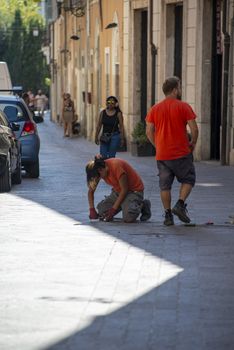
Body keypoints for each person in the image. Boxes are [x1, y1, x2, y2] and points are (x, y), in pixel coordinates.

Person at [146, 76, 199, 226]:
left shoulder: (155, 109)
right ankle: (180, 204)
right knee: (188, 179)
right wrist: (193, 143)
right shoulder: (183, 106)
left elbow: (149, 131)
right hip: (181, 152)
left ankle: (168, 216)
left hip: (162, 155)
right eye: (180, 87)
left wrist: (158, 145)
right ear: (175, 90)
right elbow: (194, 129)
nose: (180, 90)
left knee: (165, 186)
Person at [86, 156, 151, 223]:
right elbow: (91, 191)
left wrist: (113, 209)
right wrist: (92, 209)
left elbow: (124, 189)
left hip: (133, 192)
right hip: (118, 191)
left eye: (99, 176)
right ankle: (125, 205)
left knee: (128, 218)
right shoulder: (99, 171)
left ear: (101, 169)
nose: (99, 179)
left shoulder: (116, 166)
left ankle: (143, 205)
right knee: (102, 212)